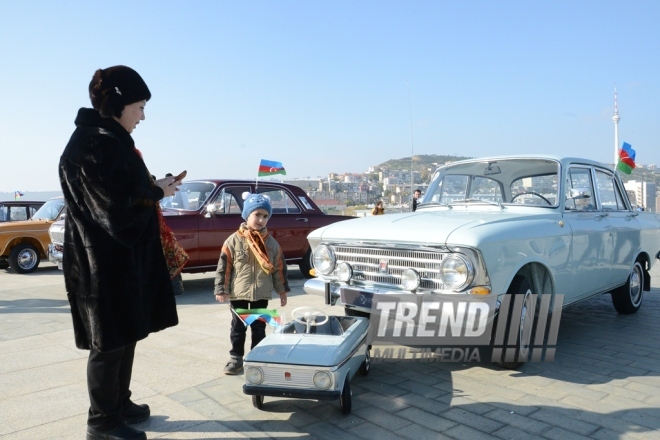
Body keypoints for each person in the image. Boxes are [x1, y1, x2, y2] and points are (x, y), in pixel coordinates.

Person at [59, 65, 180, 440]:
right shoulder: (94, 144)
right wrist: (157, 191)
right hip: (102, 265)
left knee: (125, 335)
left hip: (121, 262)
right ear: (117, 104)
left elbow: (124, 193)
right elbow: (114, 211)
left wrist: (155, 186)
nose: (143, 115)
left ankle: (119, 403)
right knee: (108, 342)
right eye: (139, 106)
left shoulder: (110, 140)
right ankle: (102, 422)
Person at [214, 193, 290, 375]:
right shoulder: (233, 240)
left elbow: (279, 269)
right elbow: (224, 267)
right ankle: (236, 358)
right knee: (238, 328)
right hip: (238, 293)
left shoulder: (271, 244)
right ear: (247, 215)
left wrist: (282, 291)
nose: (261, 220)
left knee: (259, 327)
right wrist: (221, 289)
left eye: (265, 216)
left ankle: (257, 357)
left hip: (261, 294)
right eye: (257, 215)